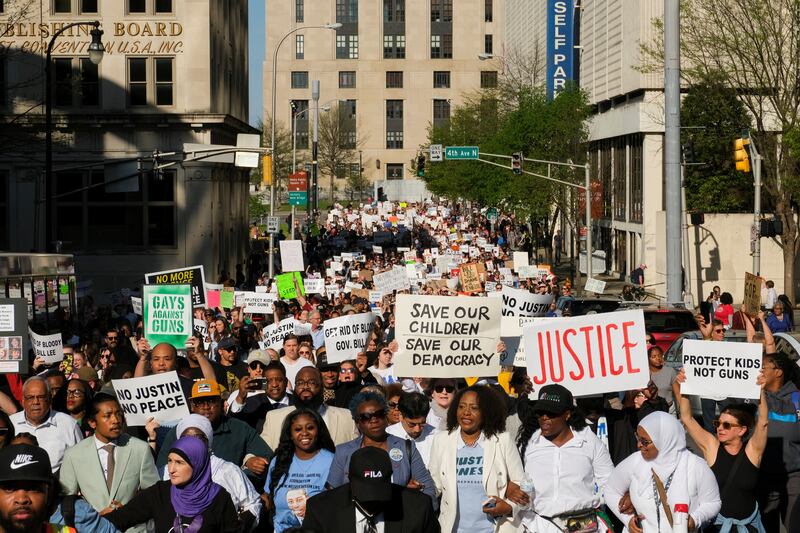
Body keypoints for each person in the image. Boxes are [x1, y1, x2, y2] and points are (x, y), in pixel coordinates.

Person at [673, 369, 769, 532]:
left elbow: (763, 422)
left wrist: (761, 392)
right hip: (717, 526)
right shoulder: (712, 448)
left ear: (742, 430)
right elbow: (687, 418)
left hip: (748, 526)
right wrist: (685, 388)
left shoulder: (753, 451)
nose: (720, 428)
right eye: (718, 423)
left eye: (727, 425)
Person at [515, 385, 615, 533]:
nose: (544, 417)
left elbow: (609, 482)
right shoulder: (527, 444)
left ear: (567, 414)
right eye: (540, 412)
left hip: (584, 527)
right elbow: (515, 482)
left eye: (551, 413)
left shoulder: (589, 441)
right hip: (540, 527)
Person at [428, 385, 527, 533]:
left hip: (496, 528)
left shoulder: (502, 440)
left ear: (486, 412)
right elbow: (434, 485)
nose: (466, 413)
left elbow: (524, 486)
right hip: (453, 529)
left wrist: (508, 508)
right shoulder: (441, 440)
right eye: (461, 407)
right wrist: (420, 486)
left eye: (474, 408)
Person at [605, 411, 721, 533]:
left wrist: (695, 519)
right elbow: (610, 490)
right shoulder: (635, 461)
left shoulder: (696, 465)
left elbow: (713, 502)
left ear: (664, 439)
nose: (639, 445)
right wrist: (627, 520)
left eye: (645, 441)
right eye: (638, 438)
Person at [59, 393, 160, 533]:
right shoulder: (74, 455)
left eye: (118, 414)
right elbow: (66, 502)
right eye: (108, 416)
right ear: (92, 422)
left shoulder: (140, 449)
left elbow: (154, 495)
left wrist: (128, 511)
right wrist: (93, 516)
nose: (116, 420)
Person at [104, 436, 240, 532]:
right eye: (169, 460)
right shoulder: (160, 493)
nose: (171, 469)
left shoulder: (219, 498)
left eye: (179, 462)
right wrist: (90, 520)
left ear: (197, 464)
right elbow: (121, 518)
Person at [326, 392, 437, 504]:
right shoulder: (343, 451)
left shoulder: (406, 447)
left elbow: (428, 489)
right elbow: (333, 494)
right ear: (357, 422)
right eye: (366, 417)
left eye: (379, 414)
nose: (374, 420)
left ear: (385, 416)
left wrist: (414, 513)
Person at [156, 380, 273, 482]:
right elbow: (162, 470)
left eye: (211, 401)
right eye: (200, 402)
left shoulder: (239, 428)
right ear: (192, 406)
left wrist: (246, 467)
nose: (206, 406)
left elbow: (268, 457)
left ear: (221, 404)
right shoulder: (179, 432)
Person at [303, 447, 439, 533]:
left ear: (390, 477)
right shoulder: (321, 510)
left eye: (378, 491)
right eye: (365, 491)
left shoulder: (418, 507)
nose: (372, 499)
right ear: (349, 478)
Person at [167, 415, 263, 530]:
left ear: (208, 441)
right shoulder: (169, 472)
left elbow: (253, 504)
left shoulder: (228, 471)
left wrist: (236, 525)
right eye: (185, 438)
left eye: (197, 437)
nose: (191, 442)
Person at [266, 408, 335, 532]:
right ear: (290, 435)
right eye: (298, 429)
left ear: (318, 431)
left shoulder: (332, 461)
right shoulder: (278, 461)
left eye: (310, 428)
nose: (304, 433)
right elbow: (267, 498)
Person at [261, 367, 358, 450]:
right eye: (300, 383)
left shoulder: (347, 416)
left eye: (312, 382)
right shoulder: (273, 417)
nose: (305, 387)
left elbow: (358, 450)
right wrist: (251, 460)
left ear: (321, 386)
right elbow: (260, 451)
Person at [758, 352, 800, 532]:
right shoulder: (753, 397)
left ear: (778, 372)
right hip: (762, 480)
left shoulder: (797, 399)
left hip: (794, 481)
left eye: (763, 367)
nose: (759, 371)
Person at [9, 376, 82, 472]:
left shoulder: (69, 425)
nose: (36, 402)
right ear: (23, 400)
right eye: (30, 397)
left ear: (50, 399)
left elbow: (81, 463)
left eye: (41, 397)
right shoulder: (11, 423)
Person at [387, 392, 437, 466]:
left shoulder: (437, 436)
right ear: (400, 415)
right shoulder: (388, 435)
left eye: (422, 423)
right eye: (411, 424)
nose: (417, 429)